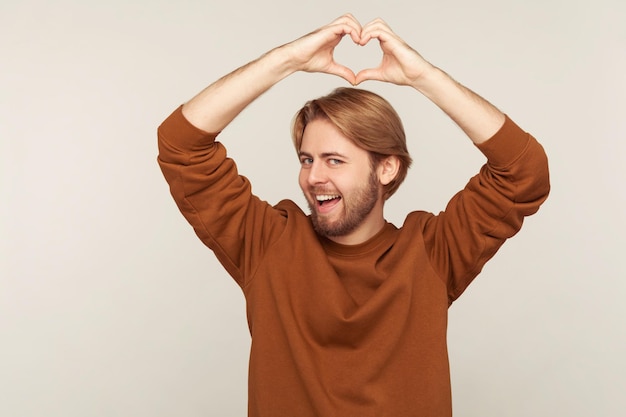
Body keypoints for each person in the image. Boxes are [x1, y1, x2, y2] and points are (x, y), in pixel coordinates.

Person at [157, 14, 550, 417]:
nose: (313, 177)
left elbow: (524, 173)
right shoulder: (269, 244)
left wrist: (423, 76)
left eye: (334, 160)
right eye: (307, 159)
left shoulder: (431, 252)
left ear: (386, 169)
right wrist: (286, 60)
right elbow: (181, 145)